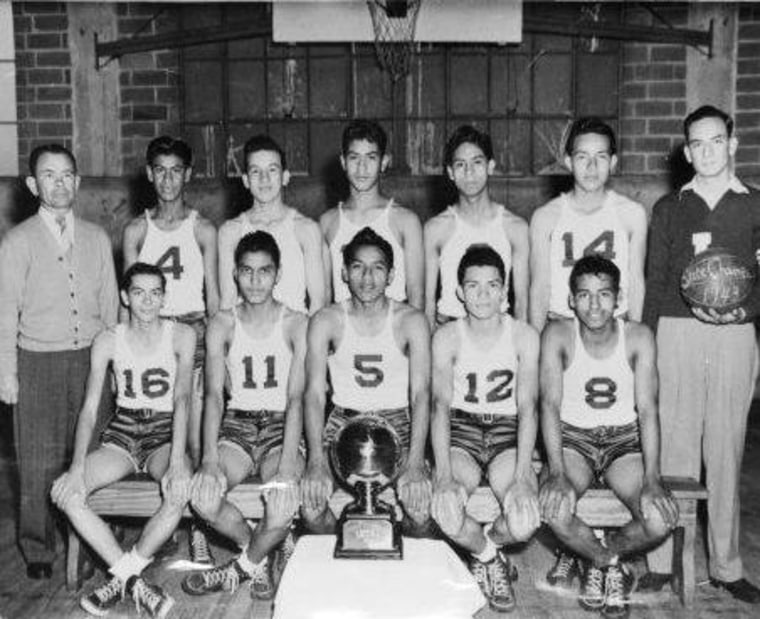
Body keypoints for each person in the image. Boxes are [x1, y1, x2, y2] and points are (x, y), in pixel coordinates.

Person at [641, 105, 760, 604]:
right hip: (677, 330)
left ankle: (727, 566)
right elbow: (657, 281)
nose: (707, 151)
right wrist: (644, 347)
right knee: (676, 447)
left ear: (732, 144)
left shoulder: (754, 205)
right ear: (687, 151)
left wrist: (745, 310)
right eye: (698, 144)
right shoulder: (670, 208)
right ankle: (659, 561)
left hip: (735, 334)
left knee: (726, 448)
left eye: (716, 141)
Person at [0, 144, 119, 579]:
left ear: (79, 182)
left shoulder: (97, 237)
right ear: (33, 185)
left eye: (67, 174)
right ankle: (38, 548)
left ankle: (91, 537)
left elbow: (111, 310)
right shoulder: (17, 241)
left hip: (91, 360)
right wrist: (7, 372)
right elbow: (4, 312)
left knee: (91, 454)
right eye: (49, 175)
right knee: (37, 460)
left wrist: (117, 369)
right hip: (37, 362)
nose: (59, 183)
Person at [51, 263, 195, 618]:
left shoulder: (181, 335)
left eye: (155, 293)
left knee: (179, 489)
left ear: (164, 297)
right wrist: (76, 466)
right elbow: (88, 411)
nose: (147, 301)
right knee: (64, 492)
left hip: (164, 429)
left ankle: (122, 577)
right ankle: (134, 580)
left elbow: (182, 399)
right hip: (124, 429)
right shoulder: (107, 339)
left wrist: (178, 460)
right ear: (124, 296)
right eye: (139, 292)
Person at [539, 256, 678, 618]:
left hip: (623, 443)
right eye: (584, 295)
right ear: (571, 300)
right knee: (555, 508)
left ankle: (598, 553)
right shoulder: (557, 334)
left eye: (604, 294)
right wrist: (555, 471)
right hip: (574, 441)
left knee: (660, 518)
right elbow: (550, 405)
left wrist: (652, 478)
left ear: (618, 298)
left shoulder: (638, 336)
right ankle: (606, 563)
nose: (594, 304)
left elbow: (648, 409)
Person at [181, 231, 306, 600]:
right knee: (203, 497)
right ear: (235, 273)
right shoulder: (222, 322)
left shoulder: (296, 322)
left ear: (278, 274)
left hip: (281, 424)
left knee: (282, 503)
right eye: (247, 271)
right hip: (238, 422)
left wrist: (286, 465)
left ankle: (242, 566)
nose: (255, 281)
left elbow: (297, 397)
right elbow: (215, 396)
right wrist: (207, 459)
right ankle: (259, 551)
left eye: (264, 271)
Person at [122, 136, 219, 565]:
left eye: (175, 169)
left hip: (193, 331)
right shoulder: (136, 230)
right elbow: (126, 298)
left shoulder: (202, 228)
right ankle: (164, 522)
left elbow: (214, 298)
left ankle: (196, 525)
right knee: (158, 431)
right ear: (149, 174)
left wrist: (217, 357)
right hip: (149, 334)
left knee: (195, 436)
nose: (167, 178)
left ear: (188, 174)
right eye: (159, 170)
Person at [430, 244, 540, 613]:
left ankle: (484, 548)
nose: (482, 295)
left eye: (492, 285)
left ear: (504, 290)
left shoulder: (523, 334)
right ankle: (492, 560)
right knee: (445, 507)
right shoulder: (447, 336)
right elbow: (440, 407)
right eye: (473, 286)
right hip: (463, 429)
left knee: (524, 519)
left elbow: (528, 407)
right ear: (459, 291)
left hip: (507, 431)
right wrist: (443, 473)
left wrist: (525, 474)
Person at [301, 227, 431, 535]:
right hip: (343, 422)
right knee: (311, 507)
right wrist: (316, 460)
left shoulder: (411, 321)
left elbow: (422, 395)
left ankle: (406, 567)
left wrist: (415, 462)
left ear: (391, 275)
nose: (368, 277)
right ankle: (345, 547)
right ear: (344, 273)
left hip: (396, 421)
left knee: (420, 509)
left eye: (378, 268)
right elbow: (315, 395)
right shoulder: (326, 320)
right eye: (358, 267)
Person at [529, 117, 647, 332]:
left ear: (612, 162)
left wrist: (634, 334)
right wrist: (536, 345)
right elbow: (539, 287)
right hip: (561, 325)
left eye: (600, 157)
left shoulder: (631, 214)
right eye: (582, 157)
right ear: (568, 162)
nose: (591, 167)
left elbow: (636, 284)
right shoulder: (546, 217)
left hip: (613, 326)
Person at [424, 125, 529, 325]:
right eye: (460, 164)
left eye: (477, 162)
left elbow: (522, 303)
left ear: (490, 166)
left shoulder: (515, 228)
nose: (469, 172)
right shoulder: (435, 229)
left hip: (498, 329)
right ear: (450, 172)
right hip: (449, 331)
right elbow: (427, 303)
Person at [218, 134, 328, 314]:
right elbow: (228, 301)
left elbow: (317, 303)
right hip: (248, 335)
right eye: (255, 171)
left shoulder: (305, 229)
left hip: (293, 335)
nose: (264, 179)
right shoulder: (230, 231)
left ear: (285, 177)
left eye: (272, 170)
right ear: (246, 180)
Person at [320, 119, 424, 308]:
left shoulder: (406, 221)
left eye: (371, 158)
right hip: (344, 329)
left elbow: (416, 294)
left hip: (394, 330)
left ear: (384, 162)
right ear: (343, 162)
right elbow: (324, 296)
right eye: (354, 158)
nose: (362, 167)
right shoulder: (327, 223)